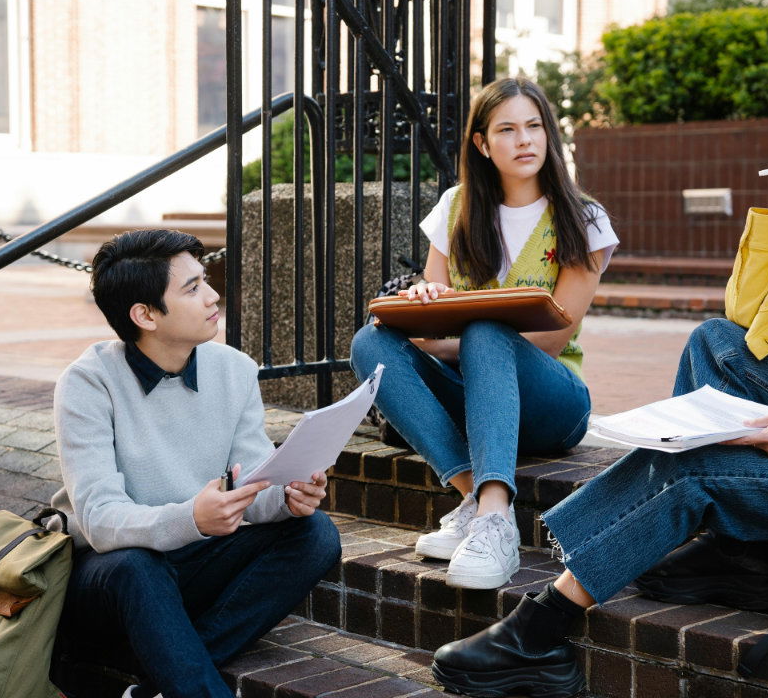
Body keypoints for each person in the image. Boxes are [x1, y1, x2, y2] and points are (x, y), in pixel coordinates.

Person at [429, 41, 768, 698]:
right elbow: (749, 318)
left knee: (688, 467)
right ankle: (734, 553)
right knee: (714, 343)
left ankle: (539, 633)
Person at [350, 77, 619, 590]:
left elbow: (552, 339)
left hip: (553, 402)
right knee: (370, 343)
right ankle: (477, 501)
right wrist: (423, 306)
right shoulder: (456, 209)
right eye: (507, 129)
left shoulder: (582, 217)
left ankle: (497, 519)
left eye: (534, 126)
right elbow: (430, 332)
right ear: (482, 143)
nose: (525, 140)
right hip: (475, 398)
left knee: (487, 330)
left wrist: (460, 339)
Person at [49, 230, 341, 698]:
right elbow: (100, 521)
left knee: (315, 533)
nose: (212, 296)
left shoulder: (234, 369)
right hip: (108, 582)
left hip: (193, 563)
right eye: (192, 289)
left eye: (204, 281)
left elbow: (252, 485)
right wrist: (192, 518)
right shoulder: (88, 383)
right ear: (145, 315)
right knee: (136, 566)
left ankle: (164, 683)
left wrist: (287, 498)